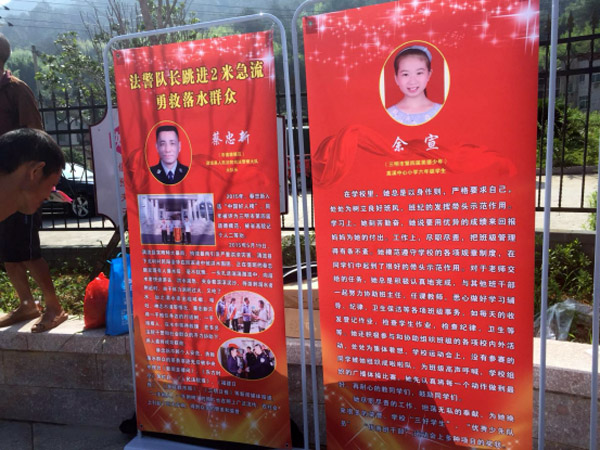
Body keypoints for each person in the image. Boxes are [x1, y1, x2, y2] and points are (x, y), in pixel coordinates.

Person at [0, 33, 68, 333]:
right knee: (6, 250)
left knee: (28, 250)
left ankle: (54, 307)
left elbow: (36, 137)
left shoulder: (16, 90)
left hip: (22, 187)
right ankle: (26, 304)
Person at [386, 45, 442, 126]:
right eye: (405, 74)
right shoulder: (389, 114)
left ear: (429, 75)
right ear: (396, 79)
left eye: (419, 73)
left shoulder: (440, 111)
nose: (412, 81)